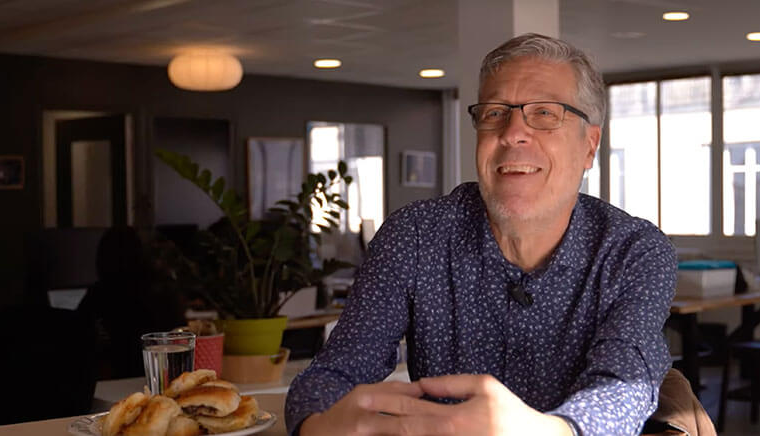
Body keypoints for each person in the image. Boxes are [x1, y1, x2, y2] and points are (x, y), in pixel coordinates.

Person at [285, 33, 676, 436]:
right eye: (494, 113)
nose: (512, 132)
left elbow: (624, 383)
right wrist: (319, 425)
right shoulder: (415, 236)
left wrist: (551, 431)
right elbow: (334, 372)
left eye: (544, 113)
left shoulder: (634, 252)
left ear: (590, 146)